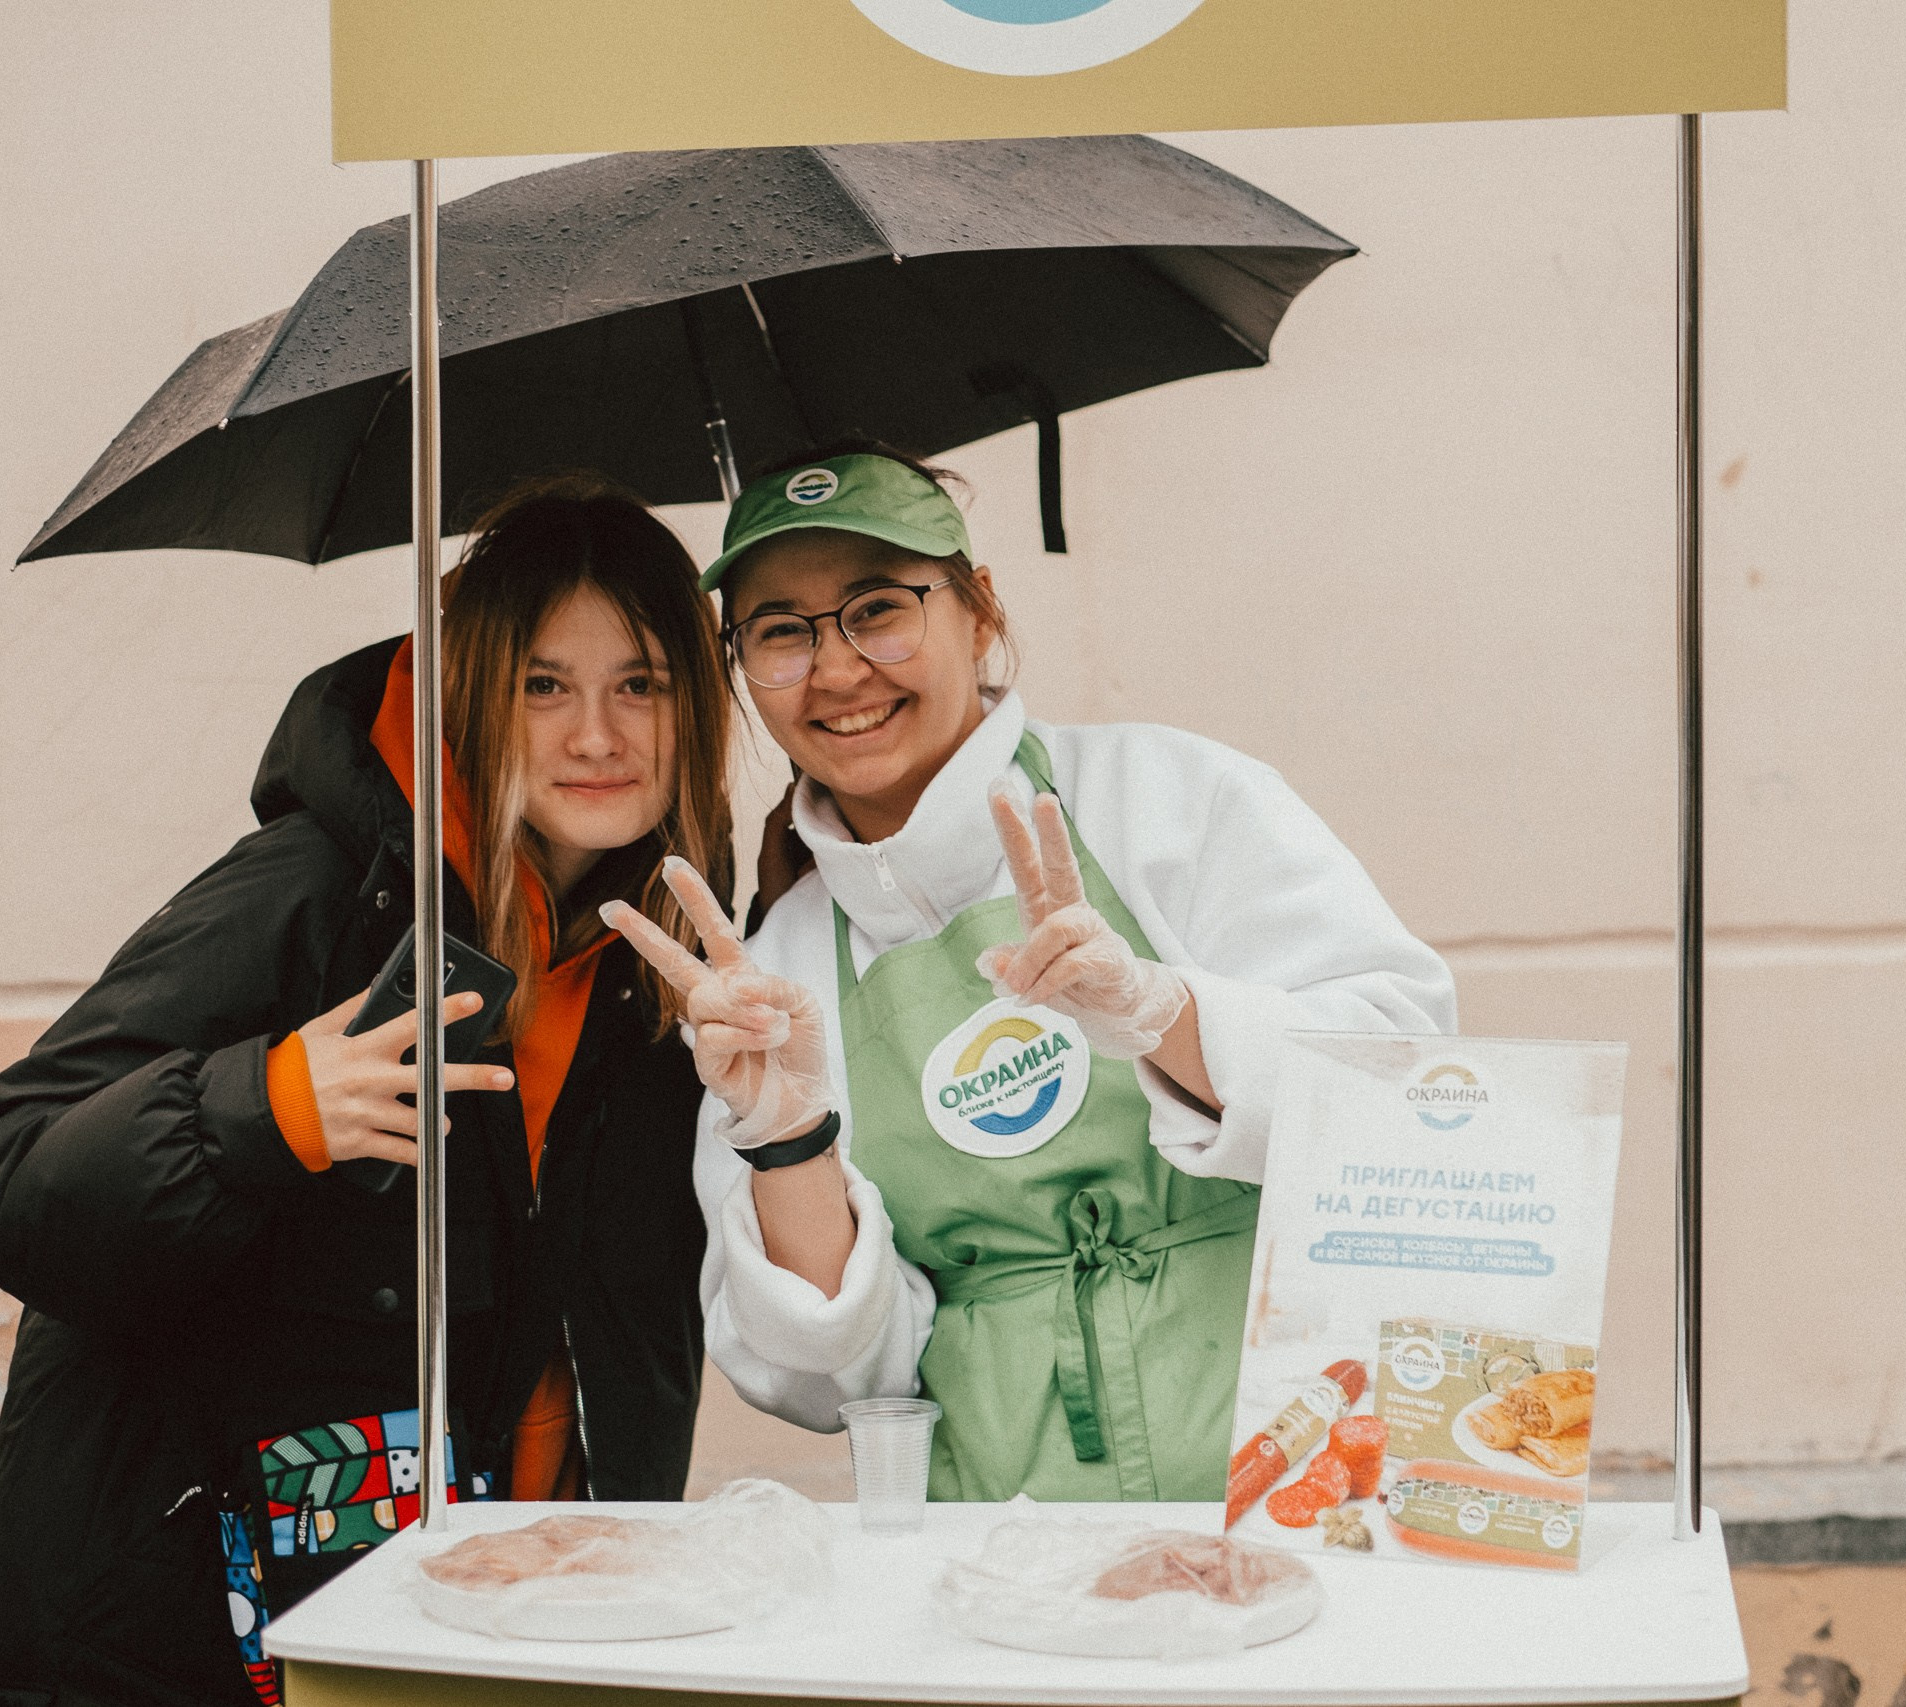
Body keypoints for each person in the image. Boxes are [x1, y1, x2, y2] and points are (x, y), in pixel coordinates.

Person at [0, 476, 735, 1707]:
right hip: (183, 1639)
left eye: (641, 682)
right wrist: (265, 1108)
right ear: (471, 692)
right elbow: (6, 1169)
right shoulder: (316, 891)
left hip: (494, 1618)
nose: (598, 735)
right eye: (544, 684)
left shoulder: (661, 968)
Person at [605, 446, 1454, 1504]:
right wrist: (788, 1145)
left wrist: (1164, 1015)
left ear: (979, 611)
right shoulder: (771, 970)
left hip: (1307, 1477)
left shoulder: (1168, 798)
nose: (834, 670)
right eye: (781, 632)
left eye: (878, 607)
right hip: (1002, 1545)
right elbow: (818, 1384)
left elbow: (1414, 1094)